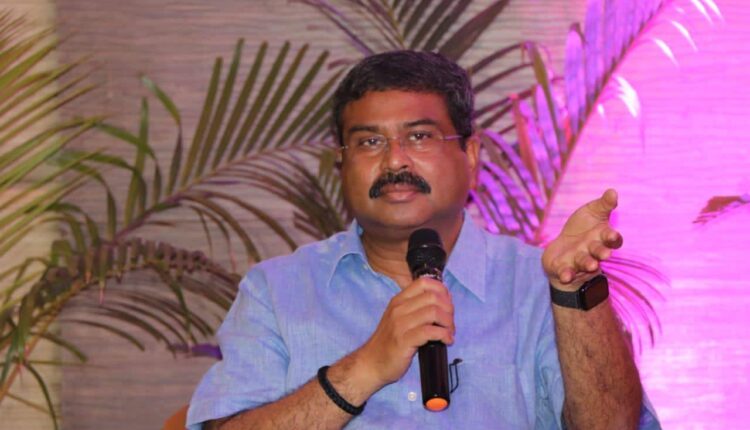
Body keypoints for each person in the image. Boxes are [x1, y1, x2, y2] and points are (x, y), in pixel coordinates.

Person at [186, 50, 660, 429]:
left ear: (470, 154)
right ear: (342, 165)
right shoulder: (277, 291)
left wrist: (575, 294)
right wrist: (364, 369)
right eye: (369, 142)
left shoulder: (535, 284)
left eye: (419, 137)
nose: (395, 161)